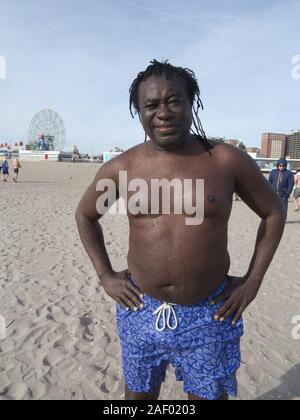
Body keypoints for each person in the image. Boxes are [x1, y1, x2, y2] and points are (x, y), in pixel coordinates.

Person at [76, 60, 286, 401]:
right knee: (139, 399)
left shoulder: (226, 161)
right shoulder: (121, 168)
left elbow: (273, 212)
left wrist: (253, 281)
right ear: (138, 111)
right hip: (140, 308)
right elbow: (86, 216)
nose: (163, 112)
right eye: (151, 104)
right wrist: (105, 275)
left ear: (192, 103)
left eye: (174, 100)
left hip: (211, 312)